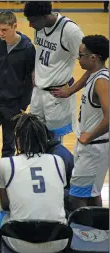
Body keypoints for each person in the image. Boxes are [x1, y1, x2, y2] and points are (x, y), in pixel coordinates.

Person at [0, 113, 67, 253]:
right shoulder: (58, 161)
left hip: (20, 241)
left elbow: (5, 205)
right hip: (58, 239)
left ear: (18, 139)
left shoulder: (6, 163)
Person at [54, 35, 109, 211]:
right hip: (88, 144)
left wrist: (89, 136)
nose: (78, 58)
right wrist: (70, 91)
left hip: (94, 147)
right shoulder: (94, 72)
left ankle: (83, 232)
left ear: (93, 58)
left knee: (77, 197)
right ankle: (98, 232)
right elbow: (86, 75)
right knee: (91, 193)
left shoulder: (102, 82)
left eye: (81, 55)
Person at [23, 1, 86, 142]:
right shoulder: (39, 27)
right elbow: (41, 53)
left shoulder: (70, 31)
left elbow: (94, 66)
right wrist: (34, 70)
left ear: (44, 16)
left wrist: (71, 90)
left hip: (56, 95)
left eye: (32, 21)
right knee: (35, 138)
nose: (30, 25)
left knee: (55, 143)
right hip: (38, 93)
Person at [0, 10, 35, 162]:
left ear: (14, 26)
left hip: (13, 106)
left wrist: (23, 105)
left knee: (9, 147)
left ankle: (6, 180)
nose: (1, 33)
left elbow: (29, 79)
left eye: (4, 30)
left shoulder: (28, 48)